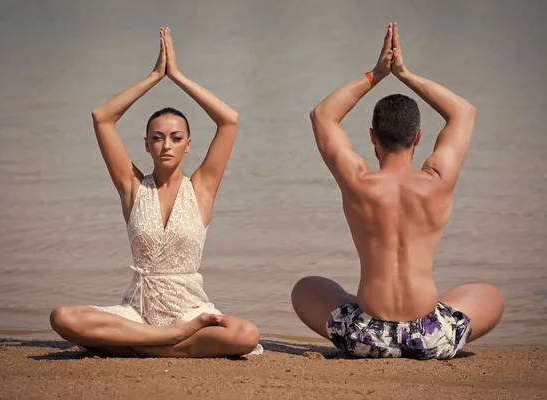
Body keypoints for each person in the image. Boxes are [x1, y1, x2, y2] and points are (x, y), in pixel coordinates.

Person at [291, 23, 503, 360]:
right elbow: (464, 112)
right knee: (490, 295)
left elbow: (323, 115)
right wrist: (404, 73)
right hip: (430, 339)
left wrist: (376, 74)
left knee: (305, 288)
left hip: (366, 338)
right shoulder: (437, 181)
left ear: (373, 137)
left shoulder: (359, 182)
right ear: (418, 137)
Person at [50, 27, 261, 358]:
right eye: (158, 137)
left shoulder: (202, 187)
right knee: (62, 317)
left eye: (176, 137)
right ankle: (165, 341)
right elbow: (102, 118)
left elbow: (229, 121)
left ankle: (140, 344)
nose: (167, 145)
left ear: (189, 145)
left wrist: (176, 76)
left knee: (246, 334)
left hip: (191, 311)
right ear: (146, 144)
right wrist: (153, 76)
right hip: (137, 312)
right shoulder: (132, 187)